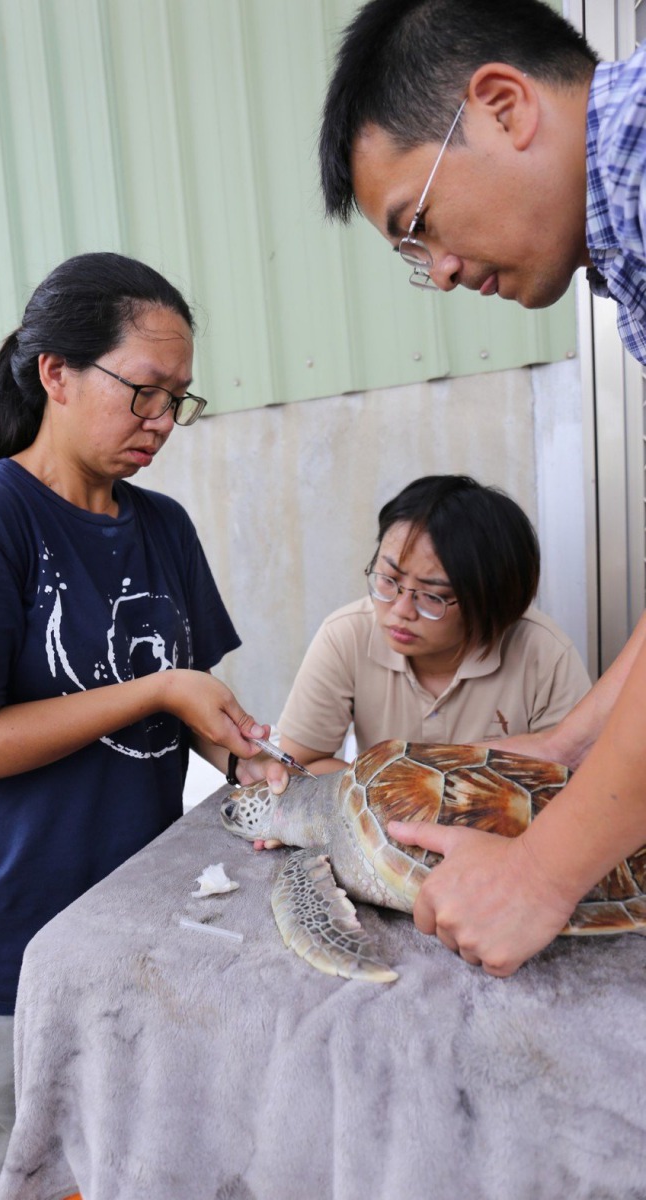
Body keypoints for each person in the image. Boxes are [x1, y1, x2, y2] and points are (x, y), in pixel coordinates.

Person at [0, 251, 271, 1200]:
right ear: (56, 374)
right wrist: (159, 691)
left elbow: (194, 699)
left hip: (123, 923)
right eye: (144, 393)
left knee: (115, 1156)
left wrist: (249, 755)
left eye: (179, 400)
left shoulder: (161, 525)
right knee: (3, 1183)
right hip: (0, 939)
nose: (161, 423)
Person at [317, 0, 646, 976]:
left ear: (503, 106)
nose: (444, 270)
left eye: (417, 226)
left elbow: (538, 878)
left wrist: (541, 872)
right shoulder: (621, 250)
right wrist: (574, 742)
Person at [276, 475, 590, 775]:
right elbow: (297, 764)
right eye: (388, 579)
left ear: (491, 600)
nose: (400, 610)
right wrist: (396, 796)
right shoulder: (346, 636)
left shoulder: (544, 653)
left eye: (432, 596)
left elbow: (581, 779)